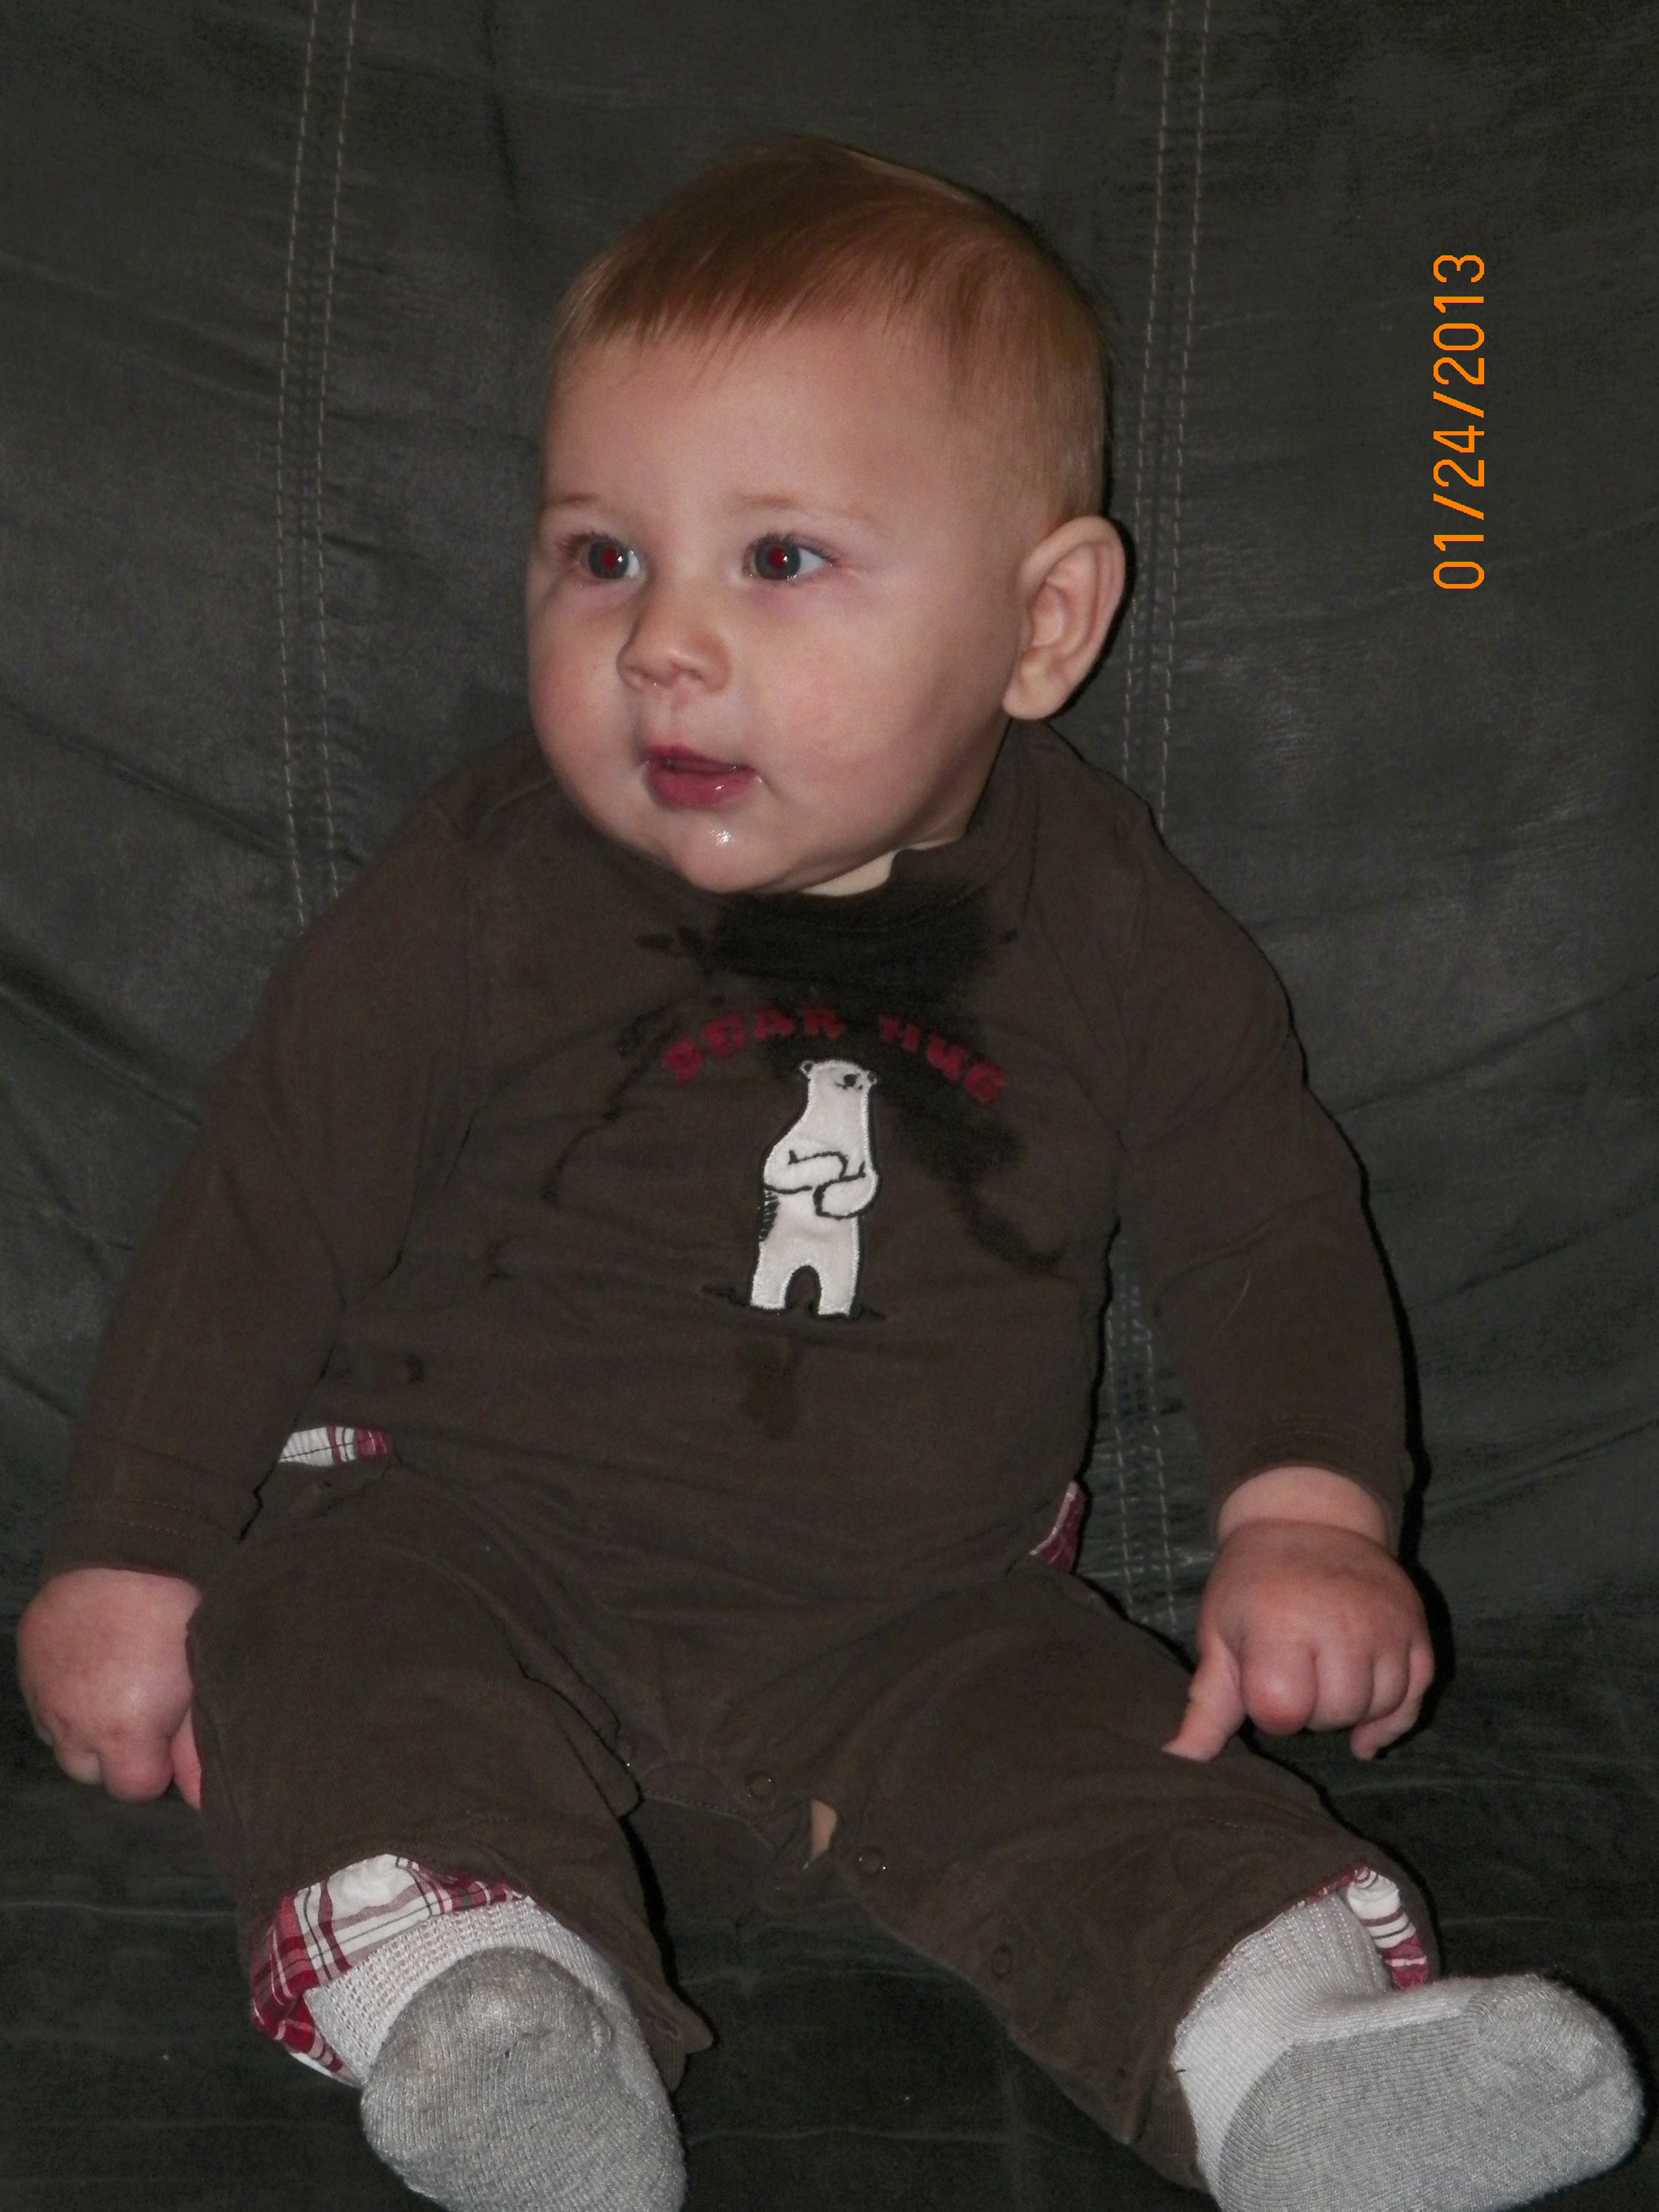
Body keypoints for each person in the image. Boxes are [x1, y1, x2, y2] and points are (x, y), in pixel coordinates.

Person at [16, 136, 1640, 2212]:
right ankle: (493, 2010)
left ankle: (1290, 2052)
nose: (665, 644)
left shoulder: (1113, 927)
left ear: (1041, 623)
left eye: (779, 558)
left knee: (1128, 1763)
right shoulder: (488, 882)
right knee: (319, 1646)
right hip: (470, 1543)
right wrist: (131, 1554)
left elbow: (1262, 1222)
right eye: (602, 555)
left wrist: (1312, 1515)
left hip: (926, 1615)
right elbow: (269, 1199)